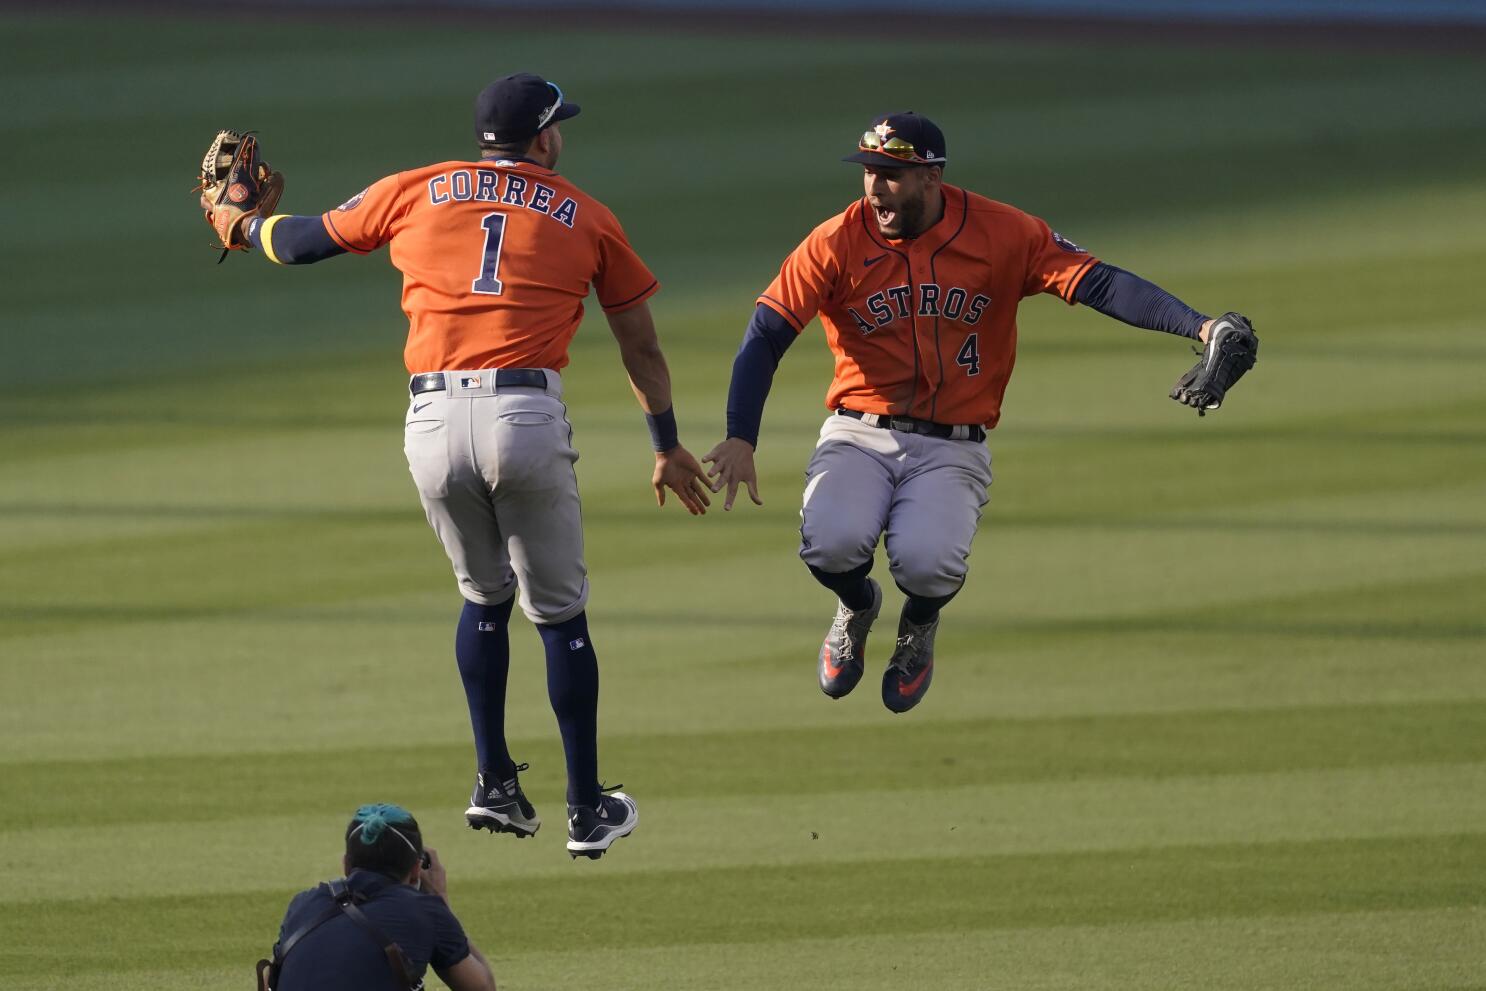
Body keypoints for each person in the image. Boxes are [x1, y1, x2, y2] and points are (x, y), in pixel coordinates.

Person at [224, 73, 712, 856]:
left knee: (483, 596)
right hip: (524, 414)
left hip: (431, 420)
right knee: (559, 614)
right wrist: (664, 441)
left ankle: (493, 782)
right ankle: (586, 809)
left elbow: (305, 240)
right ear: (544, 137)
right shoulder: (586, 213)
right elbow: (640, 343)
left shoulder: (416, 188)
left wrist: (243, 225)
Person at [704, 111, 1253, 714]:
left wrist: (1199, 326)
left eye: (892, 174)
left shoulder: (1003, 233)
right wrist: (740, 436)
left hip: (952, 443)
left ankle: (918, 626)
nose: (875, 187)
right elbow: (764, 335)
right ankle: (857, 607)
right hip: (860, 430)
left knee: (928, 564)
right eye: (869, 171)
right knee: (832, 544)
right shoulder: (835, 241)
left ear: (932, 177)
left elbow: (1099, 283)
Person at [263, 804, 496, 991]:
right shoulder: (426, 910)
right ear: (417, 868)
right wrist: (440, 899)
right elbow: (482, 987)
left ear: (346, 864)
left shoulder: (303, 902)